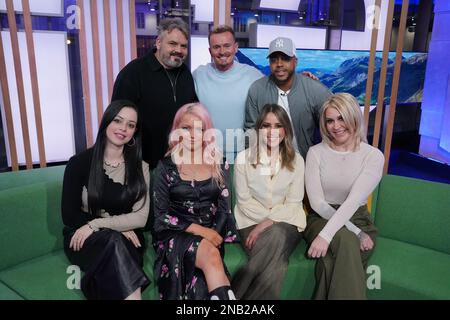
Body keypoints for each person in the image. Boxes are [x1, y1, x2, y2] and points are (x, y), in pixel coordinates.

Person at [61, 100, 151, 300]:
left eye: (130, 125)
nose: (123, 129)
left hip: (129, 238)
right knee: (114, 240)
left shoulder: (141, 168)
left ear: (134, 132)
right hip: (82, 238)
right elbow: (69, 215)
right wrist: (118, 226)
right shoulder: (78, 163)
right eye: (118, 121)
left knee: (116, 242)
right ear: (106, 122)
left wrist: (97, 224)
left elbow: (141, 218)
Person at [152, 103, 238, 300]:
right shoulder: (166, 167)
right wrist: (201, 232)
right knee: (210, 257)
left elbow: (225, 210)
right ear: (176, 131)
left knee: (201, 281)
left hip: (212, 234)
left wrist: (212, 234)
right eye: (186, 128)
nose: (192, 135)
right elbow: (162, 217)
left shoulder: (218, 162)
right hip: (175, 235)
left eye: (199, 129)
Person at [304, 93, 384, 299]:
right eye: (330, 120)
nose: (335, 126)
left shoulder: (373, 156)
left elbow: (353, 201)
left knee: (328, 264)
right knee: (348, 241)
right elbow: (317, 203)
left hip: (358, 217)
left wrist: (356, 229)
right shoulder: (315, 153)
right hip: (320, 219)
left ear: (354, 118)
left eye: (341, 118)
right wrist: (354, 233)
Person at [231, 104, 306, 300]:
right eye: (266, 125)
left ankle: (233, 296)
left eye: (278, 125)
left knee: (277, 234)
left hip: (288, 222)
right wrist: (267, 221)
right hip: (249, 221)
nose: (272, 132)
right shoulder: (243, 159)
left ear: (286, 130)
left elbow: (294, 203)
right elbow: (244, 202)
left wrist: (268, 221)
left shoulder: (297, 161)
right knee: (276, 259)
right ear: (258, 129)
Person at [112, 17, 197, 169]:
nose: (178, 50)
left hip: (180, 163)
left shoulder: (185, 74)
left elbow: (192, 112)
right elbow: (116, 120)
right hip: (142, 165)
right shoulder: (134, 72)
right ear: (158, 43)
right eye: (172, 43)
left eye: (183, 46)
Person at [245, 36, 332, 159]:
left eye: (285, 59)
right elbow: (251, 131)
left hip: (305, 163)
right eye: (274, 60)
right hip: (268, 164)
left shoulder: (315, 89)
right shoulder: (257, 90)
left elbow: (335, 122)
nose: (279, 64)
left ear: (295, 61)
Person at [192, 25, 263, 162]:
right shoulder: (198, 75)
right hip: (207, 152)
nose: (222, 51)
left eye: (226, 46)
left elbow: (275, 87)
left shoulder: (253, 75)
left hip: (241, 153)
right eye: (216, 47)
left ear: (235, 47)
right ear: (210, 50)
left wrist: (301, 77)